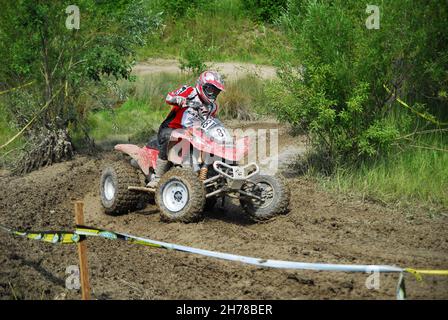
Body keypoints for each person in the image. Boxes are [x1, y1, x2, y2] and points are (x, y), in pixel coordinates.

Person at [147, 70, 225, 187]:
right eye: (210, 89)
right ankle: (157, 178)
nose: (213, 93)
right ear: (202, 85)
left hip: (192, 135)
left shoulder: (212, 107)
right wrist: (179, 99)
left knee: (213, 146)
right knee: (169, 137)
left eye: (216, 91)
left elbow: (210, 123)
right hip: (171, 128)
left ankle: (212, 177)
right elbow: (169, 97)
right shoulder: (189, 91)